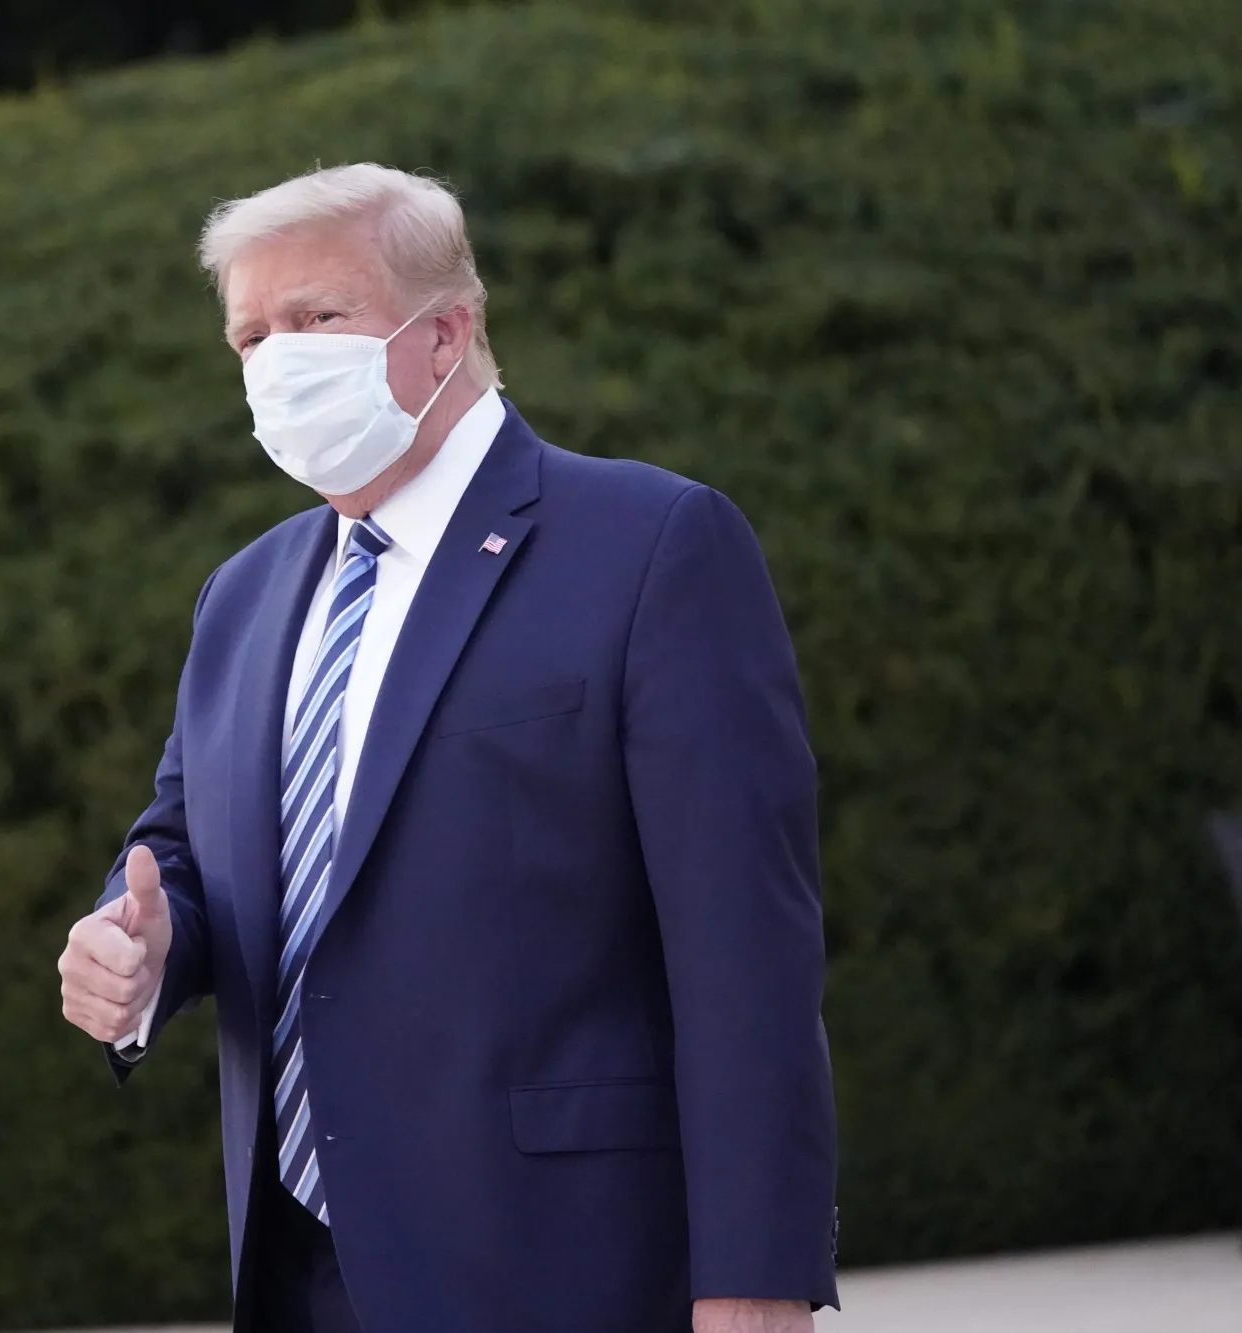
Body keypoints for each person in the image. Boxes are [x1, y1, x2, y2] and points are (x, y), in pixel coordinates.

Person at [57, 163, 839, 1333]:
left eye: (315, 318)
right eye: (248, 336)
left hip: (571, 1267)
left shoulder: (649, 546)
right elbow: (188, 849)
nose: (275, 360)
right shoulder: (244, 594)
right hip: (300, 1271)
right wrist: (145, 948)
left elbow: (744, 950)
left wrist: (753, 1275)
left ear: (446, 334)